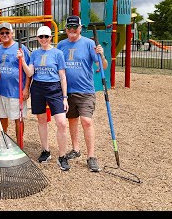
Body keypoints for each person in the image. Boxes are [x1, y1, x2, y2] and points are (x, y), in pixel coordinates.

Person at [57, 15, 108, 172]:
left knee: (86, 121)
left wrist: (102, 55)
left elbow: (103, 66)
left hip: (85, 90)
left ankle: (91, 156)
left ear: (80, 28)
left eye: (75, 28)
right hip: (67, 91)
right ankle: (76, 149)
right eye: (69, 28)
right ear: (66, 29)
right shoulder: (61, 45)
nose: (72, 30)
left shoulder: (89, 44)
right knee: (72, 120)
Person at [19, 25, 70, 171]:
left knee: (61, 123)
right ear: (37, 38)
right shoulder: (35, 54)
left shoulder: (57, 53)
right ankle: (45, 150)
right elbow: (29, 73)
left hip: (54, 88)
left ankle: (62, 155)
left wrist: (65, 97)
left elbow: (62, 75)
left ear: (50, 38)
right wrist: (22, 60)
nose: (43, 39)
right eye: (41, 37)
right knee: (41, 120)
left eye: (46, 37)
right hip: (38, 87)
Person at [0, 22, 31, 142]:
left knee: (18, 118)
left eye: (7, 32)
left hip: (16, 90)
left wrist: (26, 88)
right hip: (1, 90)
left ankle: (19, 142)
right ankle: (4, 141)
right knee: (3, 117)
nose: (5, 35)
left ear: (12, 33)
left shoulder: (21, 48)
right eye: (2, 33)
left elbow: (28, 71)